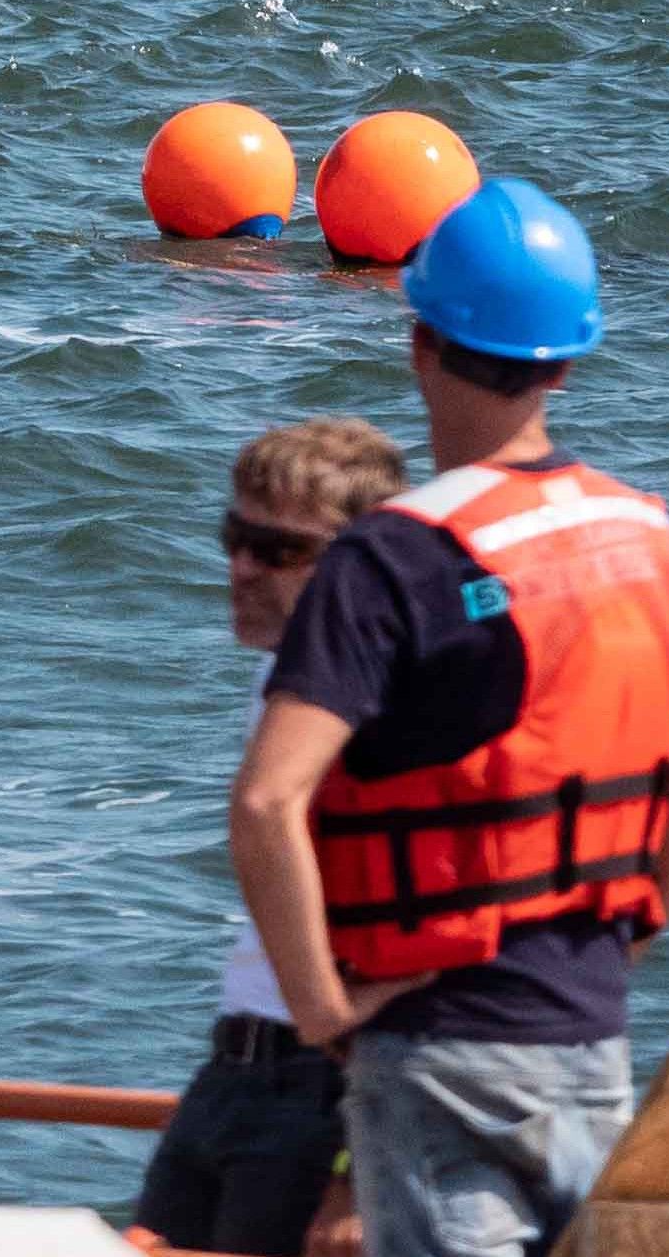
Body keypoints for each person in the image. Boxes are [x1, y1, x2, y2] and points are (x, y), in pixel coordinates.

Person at [228, 181, 669, 1257]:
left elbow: (268, 800)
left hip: (435, 1043)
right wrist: (633, 931)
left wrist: (322, 1014)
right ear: (566, 358)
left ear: (419, 341)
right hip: (589, 1030)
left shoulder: (393, 555)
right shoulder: (641, 534)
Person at [136, 416, 410, 1257]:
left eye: (277, 549)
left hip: (321, 1087)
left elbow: (428, 929)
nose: (241, 567)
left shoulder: (393, 697)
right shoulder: (288, 676)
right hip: (235, 1066)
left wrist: (350, 1165)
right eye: (234, 536)